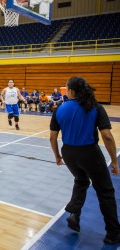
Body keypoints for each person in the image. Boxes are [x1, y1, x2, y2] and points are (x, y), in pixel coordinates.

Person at [49, 76, 120, 244]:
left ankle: (74, 213)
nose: (65, 92)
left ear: (72, 91)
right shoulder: (95, 107)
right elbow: (107, 136)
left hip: (69, 153)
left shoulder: (60, 109)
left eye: (67, 89)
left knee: (81, 180)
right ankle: (113, 233)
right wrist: (114, 161)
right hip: (89, 154)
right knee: (106, 192)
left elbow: (52, 137)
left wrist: (57, 155)